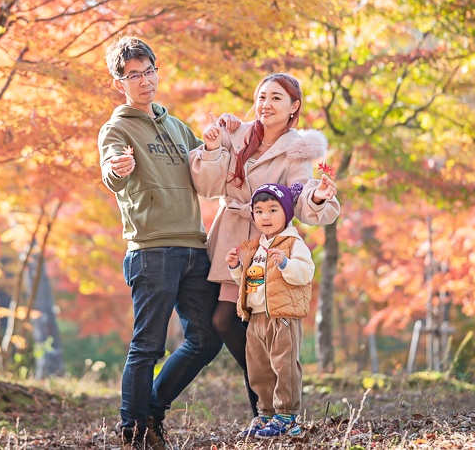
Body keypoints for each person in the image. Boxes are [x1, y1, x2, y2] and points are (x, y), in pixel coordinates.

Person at [98, 37, 224, 450]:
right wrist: (118, 167)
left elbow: (205, 173)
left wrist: (216, 145)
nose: (145, 80)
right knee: (148, 346)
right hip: (152, 249)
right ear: (121, 82)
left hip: (194, 246)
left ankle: (151, 410)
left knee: (207, 338)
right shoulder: (116, 128)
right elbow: (111, 171)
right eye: (134, 75)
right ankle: (133, 431)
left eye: (149, 70)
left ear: (157, 70)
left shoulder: (176, 126)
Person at [190, 72, 339, 417]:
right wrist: (213, 147)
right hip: (230, 240)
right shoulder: (235, 134)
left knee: (253, 328)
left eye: (276, 98)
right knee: (225, 320)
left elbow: (298, 199)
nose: (266, 104)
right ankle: (268, 403)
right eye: (261, 96)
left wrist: (315, 196)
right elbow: (206, 185)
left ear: (293, 107)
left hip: (265, 249)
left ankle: (269, 410)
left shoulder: (297, 151)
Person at [225, 183, 318, 438]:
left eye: (273, 210)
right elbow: (250, 282)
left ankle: (286, 415)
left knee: (283, 365)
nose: (265, 216)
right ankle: (265, 414)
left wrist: (286, 263)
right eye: (259, 211)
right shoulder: (255, 247)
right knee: (258, 368)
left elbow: (306, 274)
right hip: (256, 317)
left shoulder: (292, 243)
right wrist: (236, 268)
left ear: (286, 213)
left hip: (283, 317)